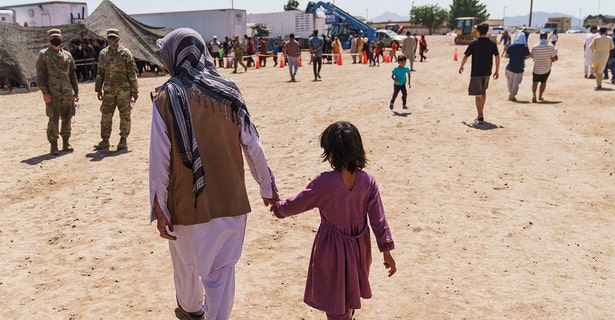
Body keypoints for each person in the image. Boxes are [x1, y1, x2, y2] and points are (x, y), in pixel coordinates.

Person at [150, 28, 279, 320]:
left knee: (184, 262)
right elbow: (252, 144)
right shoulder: (229, 91)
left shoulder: (166, 97)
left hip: (185, 202)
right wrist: (266, 186)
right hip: (230, 199)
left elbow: (159, 160)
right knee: (220, 272)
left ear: (172, 57)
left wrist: (159, 206)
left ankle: (191, 309)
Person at [270, 121, 396, 320]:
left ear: (331, 153)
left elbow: (297, 203)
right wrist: (386, 251)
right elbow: (378, 219)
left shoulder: (323, 182)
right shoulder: (368, 181)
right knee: (349, 293)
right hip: (359, 248)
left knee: (335, 300)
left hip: (331, 249)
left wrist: (277, 208)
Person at [36, 28, 79, 155]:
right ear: (49, 40)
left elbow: (72, 75)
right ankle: (53, 145)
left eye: (58, 37)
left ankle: (66, 143)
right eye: (53, 38)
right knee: (53, 120)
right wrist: (45, 92)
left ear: (61, 38)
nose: (56, 40)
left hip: (67, 93)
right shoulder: (44, 55)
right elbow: (41, 76)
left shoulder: (68, 55)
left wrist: (76, 91)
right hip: (52, 94)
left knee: (67, 119)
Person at [94, 28, 138, 151]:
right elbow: (100, 72)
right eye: (110, 38)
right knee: (106, 115)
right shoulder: (103, 54)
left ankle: (123, 139)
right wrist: (98, 89)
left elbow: (132, 73)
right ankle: (105, 140)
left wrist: (134, 90)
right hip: (108, 91)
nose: (112, 40)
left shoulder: (126, 54)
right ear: (107, 39)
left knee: (125, 115)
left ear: (118, 39)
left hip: (124, 91)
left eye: (114, 38)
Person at [458, 23, 500, 125]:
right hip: (487, 71)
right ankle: (480, 113)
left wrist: (461, 66)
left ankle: (480, 116)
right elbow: (497, 56)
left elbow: (466, 56)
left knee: (478, 94)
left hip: (476, 72)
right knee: (483, 92)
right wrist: (497, 70)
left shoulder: (474, 43)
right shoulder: (492, 43)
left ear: (478, 32)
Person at [530, 32, 558, 102]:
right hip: (546, 68)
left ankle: (534, 94)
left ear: (540, 37)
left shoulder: (534, 46)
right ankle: (540, 96)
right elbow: (555, 58)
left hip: (536, 68)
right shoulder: (551, 46)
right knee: (543, 82)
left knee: (535, 82)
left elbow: (531, 56)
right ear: (546, 37)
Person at [504, 32, 531, 102]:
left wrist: (512, 56)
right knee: (516, 83)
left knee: (510, 82)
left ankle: (510, 94)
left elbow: (506, 56)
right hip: (519, 68)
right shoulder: (525, 48)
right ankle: (513, 95)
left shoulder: (511, 47)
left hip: (510, 67)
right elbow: (528, 56)